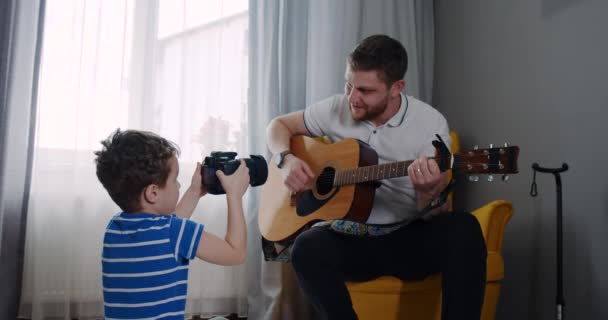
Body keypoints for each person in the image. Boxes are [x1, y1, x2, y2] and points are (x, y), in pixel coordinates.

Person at [265, 34, 487, 320]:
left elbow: (437, 212)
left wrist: (428, 192)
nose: (352, 98)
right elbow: (278, 125)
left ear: (397, 88)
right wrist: (286, 159)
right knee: (307, 248)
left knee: (463, 228)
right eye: (348, 85)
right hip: (354, 240)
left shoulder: (430, 124)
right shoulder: (337, 107)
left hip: (408, 237)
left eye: (365, 91)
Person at [94, 129, 249, 320]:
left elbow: (167, 228)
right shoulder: (174, 232)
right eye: (174, 180)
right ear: (153, 193)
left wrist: (194, 192)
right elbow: (235, 253)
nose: (178, 186)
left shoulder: (114, 228)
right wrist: (234, 195)